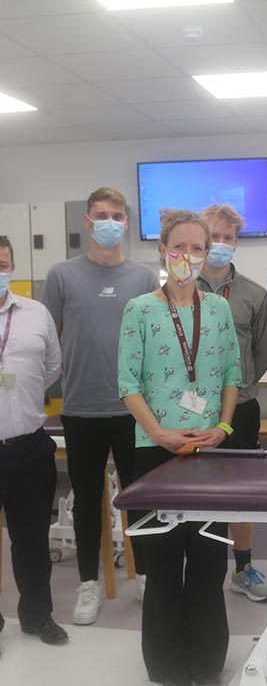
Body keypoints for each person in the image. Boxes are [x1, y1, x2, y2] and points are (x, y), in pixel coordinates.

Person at [118, 209, 241, 686]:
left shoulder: (219, 309)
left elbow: (233, 375)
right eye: (178, 248)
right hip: (155, 454)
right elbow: (128, 384)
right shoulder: (139, 310)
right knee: (164, 566)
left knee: (209, 563)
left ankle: (207, 661)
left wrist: (224, 429)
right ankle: (168, 666)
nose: (187, 257)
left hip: (209, 454)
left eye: (197, 248)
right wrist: (161, 434)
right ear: (162, 251)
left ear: (207, 253)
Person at [41, 187, 158, 625]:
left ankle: (145, 573)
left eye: (117, 215)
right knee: (87, 501)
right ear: (88, 223)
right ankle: (88, 583)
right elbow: (48, 337)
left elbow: (154, 341)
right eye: (101, 215)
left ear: (126, 222)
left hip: (134, 410)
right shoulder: (61, 275)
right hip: (82, 408)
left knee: (140, 497)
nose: (109, 222)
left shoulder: (144, 278)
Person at [197, 203, 267, 603]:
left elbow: (262, 353)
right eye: (214, 237)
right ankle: (203, 569)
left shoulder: (253, 295)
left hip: (241, 407)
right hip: (191, 410)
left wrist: (239, 386)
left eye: (229, 238)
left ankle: (242, 568)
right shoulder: (179, 290)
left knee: (240, 491)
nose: (222, 244)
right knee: (197, 491)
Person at [0, 235, 68, 648]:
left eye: (2, 262)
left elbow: (52, 366)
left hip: (28, 447)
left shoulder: (35, 313)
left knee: (31, 541)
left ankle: (37, 615)